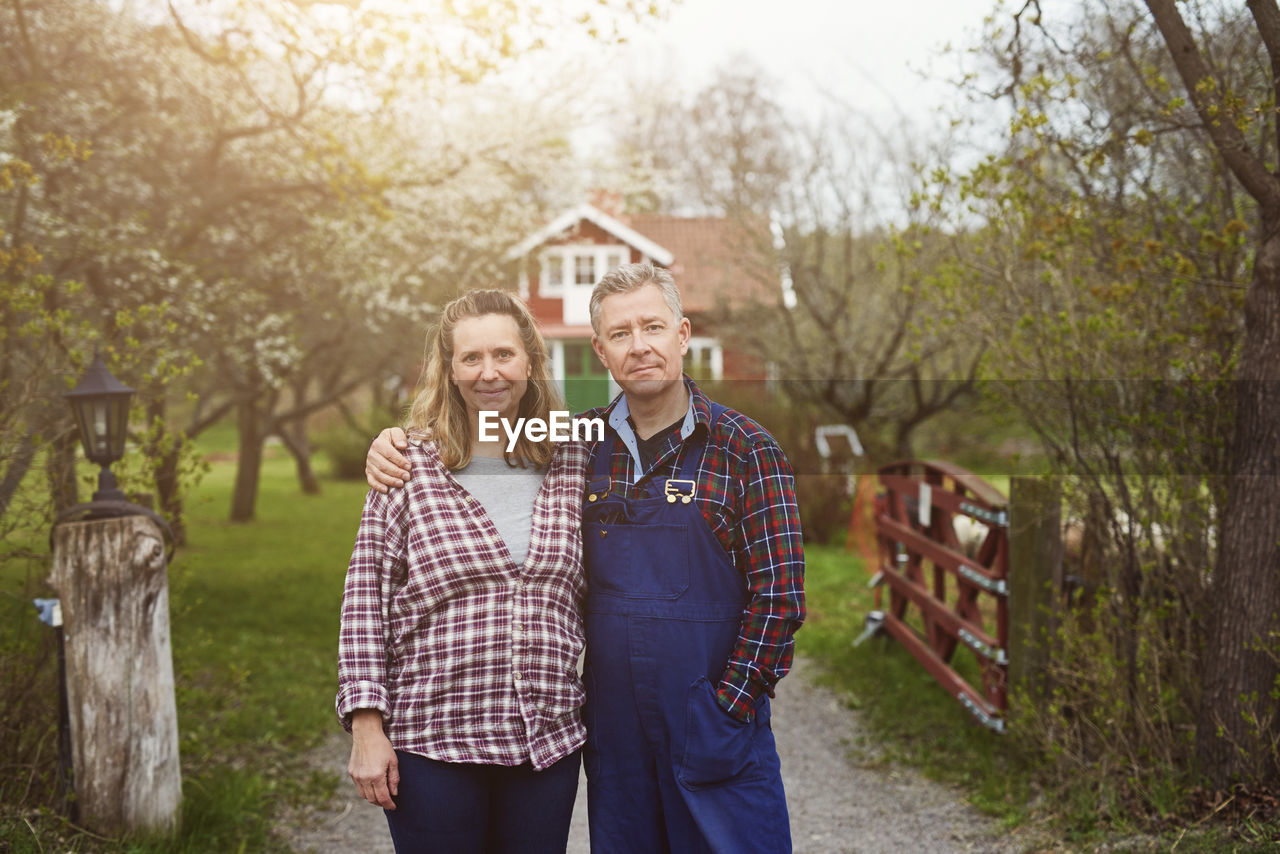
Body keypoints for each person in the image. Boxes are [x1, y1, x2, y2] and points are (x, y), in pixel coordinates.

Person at [366, 264, 805, 853]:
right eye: (620, 334)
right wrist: (395, 440)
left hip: (714, 725)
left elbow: (780, 600)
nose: (639, 345)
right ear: (599, 350)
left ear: (682, 333)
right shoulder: (575, 441)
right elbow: (478, 424)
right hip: (615, 733)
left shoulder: (746, 449)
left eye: (652, 326)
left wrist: (727, 709)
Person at [337, 289, 589, 854]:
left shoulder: (573, 458)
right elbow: (364, 602)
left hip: (543, 743)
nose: (489, 372)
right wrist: (366, 726)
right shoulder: (408, 465)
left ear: (530, 360)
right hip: (434, 743)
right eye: (470, 358)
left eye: (503, 354)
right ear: (449, 370)